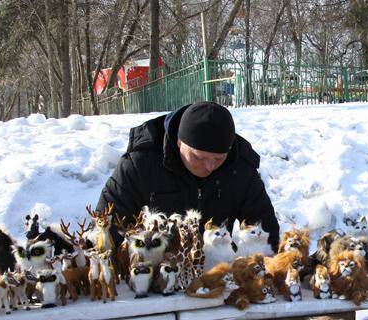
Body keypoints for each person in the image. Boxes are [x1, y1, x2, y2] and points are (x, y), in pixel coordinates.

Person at [96, 101, 279, 249]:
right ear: (179, 142)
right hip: (157, 267)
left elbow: (265, 231)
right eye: (199, 157)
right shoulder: (141, 163)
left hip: (215, 266)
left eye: (218, 158)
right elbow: (108, 226)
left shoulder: (240, 167)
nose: (210, 167)